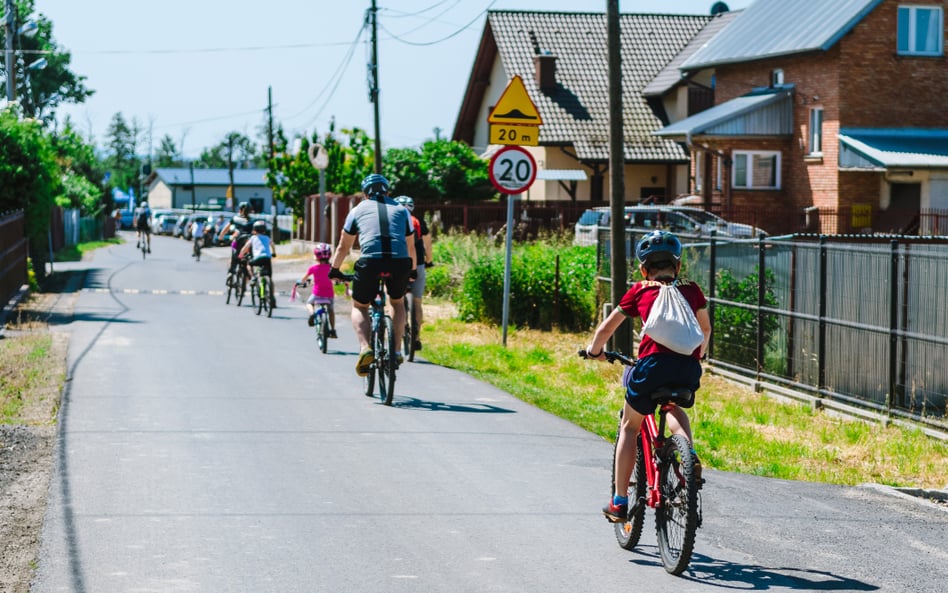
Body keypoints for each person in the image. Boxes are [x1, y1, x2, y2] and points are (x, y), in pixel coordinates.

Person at [584, 230, 711, 522]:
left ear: (644, 269)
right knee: (673, 407)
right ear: (678, 266)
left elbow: (607, 328)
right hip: (688, 368)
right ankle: (686, 457)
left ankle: (619, 502)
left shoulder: (641, 290)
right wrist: (697, 354)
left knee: (629, 427)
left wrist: (594, 350)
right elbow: (705, 329)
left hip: (652, 366)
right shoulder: (691, 289)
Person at [329, 174, 416, 376]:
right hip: (400, 262)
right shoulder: (402, 210)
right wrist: (411, 271)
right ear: (387, 191)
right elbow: (410, 246)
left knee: (360, 305)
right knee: (397, 301)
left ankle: (365, 347)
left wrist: (334, 270)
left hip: (370, 262)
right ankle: (395, 351)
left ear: (364, 193)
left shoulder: (357, 210)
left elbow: (344, 247)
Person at [394, 195, 433, 351]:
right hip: (419, 265)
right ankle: (416, 338)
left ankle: (396, 333)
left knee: (395, 300)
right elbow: (428, 243)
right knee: (417, 302)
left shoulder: (394, 221)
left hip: (398, 263)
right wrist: (429, 260)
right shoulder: (419, 222)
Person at [298, 243, 337, 337]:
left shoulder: (313, 268)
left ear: (317, 256)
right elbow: (336, 279)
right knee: (331, 311)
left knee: (308, 303)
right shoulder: (331, 268)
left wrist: (300, 282)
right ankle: (332, 330)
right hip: (329, 294)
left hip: (317, 294)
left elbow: (303, 279)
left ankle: (312, 314)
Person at [219, 203, 253, 276]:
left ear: (240, 210)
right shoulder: (252, 221)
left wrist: (221, 237)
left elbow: (225, 229)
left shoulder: (235, 219)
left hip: (236, 243)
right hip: (248, 244)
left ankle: (231, 272)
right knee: (249, 262)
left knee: (233, 256)